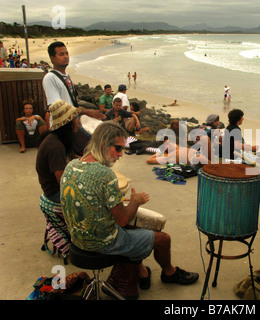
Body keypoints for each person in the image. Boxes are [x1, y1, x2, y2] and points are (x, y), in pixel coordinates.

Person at [60, 121, 199, 295]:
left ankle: (140, 272)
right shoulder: (104, 175)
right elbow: (123, 219)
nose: (120, 155)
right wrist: (135, 201)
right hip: (101, 244)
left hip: (76, 239)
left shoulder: (71, 165)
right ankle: (169, 273)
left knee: (136, 230)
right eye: (118, 149)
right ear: (103, 144)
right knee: (163, 239)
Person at [36, 100, 83, 258]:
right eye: (75, 118)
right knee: (96, 200)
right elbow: (63, 184)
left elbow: (71, 157)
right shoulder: (55, 146)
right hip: (55, 193)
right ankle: (88, 243)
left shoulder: (56, 139)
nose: (78, 121)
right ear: (68, 123)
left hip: (51, 188)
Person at [42, 41, 104, 154]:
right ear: (52, 59)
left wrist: (81, 115)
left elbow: (71, 102)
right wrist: (85, 111)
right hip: (61, 127)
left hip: (72, 123)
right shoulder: (50, 78)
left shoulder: (67, 76)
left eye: (67, 53)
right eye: (61, 54)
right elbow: (56, 106)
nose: (66, 56)